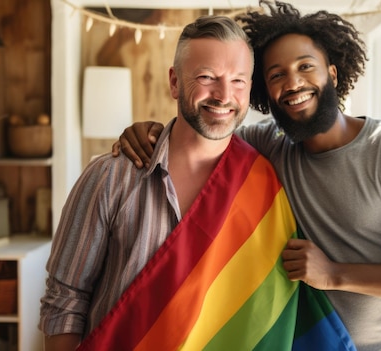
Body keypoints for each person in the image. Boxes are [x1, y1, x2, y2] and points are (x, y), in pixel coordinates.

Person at [115, 1, 381, 350]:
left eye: (305, 66)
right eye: (276, 75)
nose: (293, 83)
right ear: (266, 92)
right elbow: (204, 136)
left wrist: (333, 274)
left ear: (334, 74)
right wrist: (151, 132)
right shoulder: (270, 145)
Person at [40, 15, 354, 351]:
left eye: (238, 81)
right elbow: (65, 300)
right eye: (207, 77)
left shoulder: (267, 179)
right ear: (175, 83)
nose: (223, 95)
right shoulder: (109, 176)